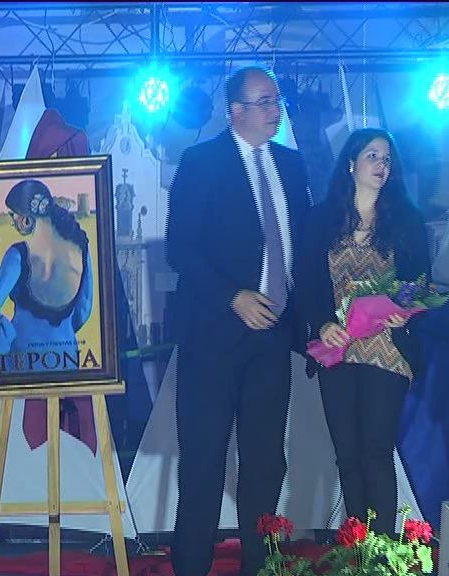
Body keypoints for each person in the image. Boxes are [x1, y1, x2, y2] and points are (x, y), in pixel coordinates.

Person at [165, 66, 311, 576]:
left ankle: (261, 565)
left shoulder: (292, 166)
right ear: (236, 110)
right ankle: (191, 566)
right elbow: (180, 246)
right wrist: (233, 295)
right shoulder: (202, 161)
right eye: (266, 101)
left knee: (267, 462)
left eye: (278, 100)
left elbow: (304, 252)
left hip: (274, 338)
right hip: (213, 337)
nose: (277, 110)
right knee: (204, 461)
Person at [295, 128, 430, 535]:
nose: (382, 166)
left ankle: (383, 550)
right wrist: (321, 322)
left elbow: (419, 281)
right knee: (347, 455)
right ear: (351, 163)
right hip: (337, 347)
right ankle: (357, 548)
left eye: (387, 159)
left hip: (386, 349)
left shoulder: (406, 219)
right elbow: (305, 281)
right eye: (373, 156)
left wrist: (404, 310)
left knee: (375, 450)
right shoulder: (321, 219)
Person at [0, 179, 93, 374]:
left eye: (13, 216)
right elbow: (84, 310)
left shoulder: (17, 255)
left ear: (26, 218)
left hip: (21, 361)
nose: (13, 222)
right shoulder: (81, 250)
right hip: (67, 358)